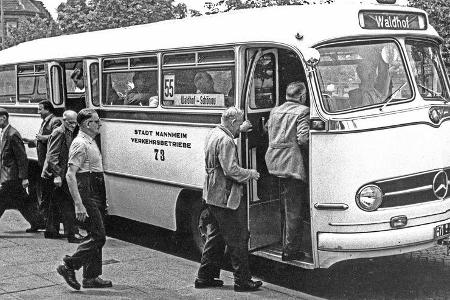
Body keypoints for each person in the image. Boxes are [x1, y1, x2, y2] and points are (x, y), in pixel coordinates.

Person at [195, 107, 263, 292]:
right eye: (239, 123)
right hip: (224, 196)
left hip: (212, 194)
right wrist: (251, 173)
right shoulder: (227, 141)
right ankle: (242, 281)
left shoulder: (214, 133)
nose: (240, 126)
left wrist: (240, 131)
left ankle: (204, 277)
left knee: (216, 238)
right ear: (233, 122)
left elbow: (224, 142)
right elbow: (231, 170)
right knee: (237, 239)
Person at [56, 108, 112, 290]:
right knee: (99, 236)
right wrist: (79, 204)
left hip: (94, 189)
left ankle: (91, 277)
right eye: (97, 121)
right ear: (88, 124)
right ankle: (69, 265)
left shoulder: (89, 140)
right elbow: (70, 175)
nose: (100, 124)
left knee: (95, 233)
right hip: (87, 191)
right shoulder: (80, 144)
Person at [265, 81, 310, 262]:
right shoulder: (303, 111)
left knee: (284, 205)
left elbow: (267, 129)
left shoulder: (274, 111)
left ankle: (283, 242)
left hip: (273, 163)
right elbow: (303, 138)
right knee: (294, 209)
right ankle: (290, 250)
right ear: (301, 96)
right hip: (292, 165)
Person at [41, 110, 85, 243]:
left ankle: (51, 231)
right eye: (70, 122)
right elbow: (52, 156)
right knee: (68, 204)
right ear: (64, 120)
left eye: (75, 123)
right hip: (57, 174)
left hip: (60, 173)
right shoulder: (59, 132)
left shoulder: (69, 131)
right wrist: (57, 176)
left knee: (54, 203)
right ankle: (72, 234)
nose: (73, 125)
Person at [0, 108, 43, 232]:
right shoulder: (5, 132)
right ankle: (38, 222)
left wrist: (24, 178)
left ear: (3, 118)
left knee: (1, 201)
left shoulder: (12, 134)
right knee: (22, 202)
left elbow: (22, 157)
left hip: (12, 177)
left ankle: (38, 222)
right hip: (8, 175)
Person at [24, 100, 61, 232]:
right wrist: (31, 141)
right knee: (46, 196)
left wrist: (41, 138)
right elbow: (41, 139)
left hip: (49, 163)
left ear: (48, 109)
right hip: (43, 163)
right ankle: (48, 225)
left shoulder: (55, 121)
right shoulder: (45, 121)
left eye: (40, 109)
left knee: (49, 196)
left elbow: (55, 137)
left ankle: (50, 226)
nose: (38, 112)